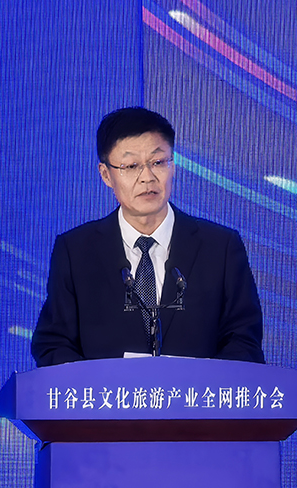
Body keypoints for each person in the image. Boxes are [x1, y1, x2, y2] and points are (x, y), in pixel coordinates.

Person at [31, 107, 264, 367]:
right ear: (106, 174)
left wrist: (197, 386)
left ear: (173, 165)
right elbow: (54, 344)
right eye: (131, 166)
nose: (147, 178)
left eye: (158, 162)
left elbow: (244, 342)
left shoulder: (221, 247)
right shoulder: (75, 251)